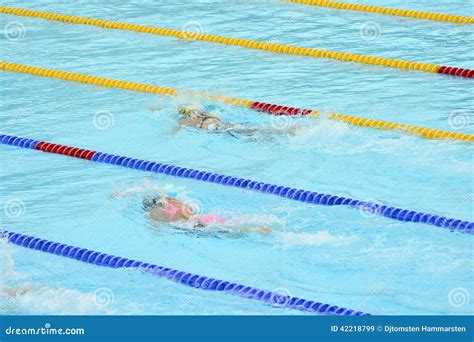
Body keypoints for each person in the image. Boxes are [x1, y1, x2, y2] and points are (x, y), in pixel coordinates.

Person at [142, 194, 271, 234]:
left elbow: (155, 231)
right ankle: (256, 227)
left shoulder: (155, 215)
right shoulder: (177, 205)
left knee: (231, 231)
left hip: (197, 224)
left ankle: (255, 229)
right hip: (206, 217)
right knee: (230, 224)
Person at [148, 105, 300, 139]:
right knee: (251, 128)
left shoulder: (183, 120)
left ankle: (284, 131)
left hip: (216, 129)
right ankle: (286, 129)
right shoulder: (203, 112)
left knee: (252, 135)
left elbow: (173, 132)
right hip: (224, 123)